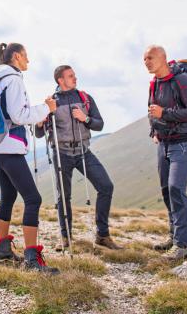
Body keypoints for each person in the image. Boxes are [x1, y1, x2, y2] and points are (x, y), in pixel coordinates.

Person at [0, 42, 59, 274]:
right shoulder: (14, 79)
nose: (29, 60)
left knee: (8, 196)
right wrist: (46, 108)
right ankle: (32, 260)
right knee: (33, 199)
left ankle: (2, 250)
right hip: (10, 146)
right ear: (16, 56)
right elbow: (18, 115)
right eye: (26, 56)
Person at [35, 65, 121, 250]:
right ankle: (66, 238)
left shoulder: (85, 98)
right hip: (62, 153)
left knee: (106, 186)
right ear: (60, 80)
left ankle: (102, 236)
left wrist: (85, 118)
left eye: (74, 75)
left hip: (83, 151)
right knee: (63, 197)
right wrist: (41, 121)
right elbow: (38, 133)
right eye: (71, 76)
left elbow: (99, 124)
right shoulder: (52, 102)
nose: (75, 78)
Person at [143, 45, 187, 261]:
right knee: (167, 191)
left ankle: (184, 245)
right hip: (164, 143)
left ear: (163, 58)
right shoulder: (154, 83)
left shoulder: (182, 80)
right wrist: (154, 131)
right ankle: (175, 237)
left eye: (150, 57)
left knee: (177, 189)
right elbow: (151, 110)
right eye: (144, 59)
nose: (147, 62)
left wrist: (164, 113)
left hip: (184, 142)